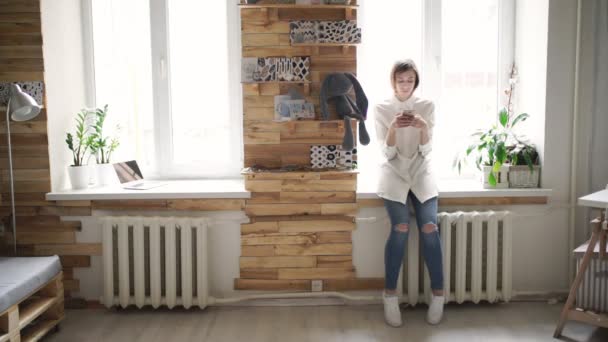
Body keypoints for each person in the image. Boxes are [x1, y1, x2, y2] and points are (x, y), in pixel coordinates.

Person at [374, 59, 444, 327]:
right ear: (393, 81)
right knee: (401, 226)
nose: (405, 85)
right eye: (401, 80)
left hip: (421, 171)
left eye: (410, 81)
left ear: (416, 82)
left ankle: (438, 295)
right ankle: (389, 296)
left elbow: (426, 152)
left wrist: (423, 128)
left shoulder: (426, 106)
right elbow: (388, 153)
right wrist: (393, 128)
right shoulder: (381, 108)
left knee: (429, 227)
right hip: (393, 172)